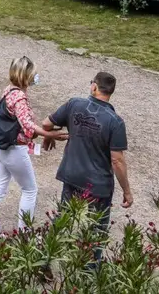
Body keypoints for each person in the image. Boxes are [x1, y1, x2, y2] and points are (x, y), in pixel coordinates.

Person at [0, 56, 67, 236]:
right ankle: (24, 233)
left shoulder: (8, 90)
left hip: (0, 148)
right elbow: (27, 124)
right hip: (14, 149)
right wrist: (51, 134)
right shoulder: (19, 97)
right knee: (30, 190)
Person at [42, 71, 131, 241]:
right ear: (110, 92)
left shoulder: (74, 104)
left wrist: (49, 135)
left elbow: (46, 123)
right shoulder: (115, 122)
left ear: (94, 86)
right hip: (98, 184)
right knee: (96, 232)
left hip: (72, 175)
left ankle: (47, 257)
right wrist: (127, 191)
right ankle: (90, 265)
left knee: (63, 221)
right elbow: (117, 160)